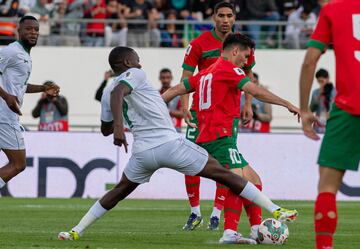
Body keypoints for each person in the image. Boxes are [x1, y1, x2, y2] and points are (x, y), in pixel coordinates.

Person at [58, 46, 298, 242]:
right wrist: (120, 128)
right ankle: (275, 209)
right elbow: (119, 92)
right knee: (226, 175)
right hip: (169, 145)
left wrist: (119, 124)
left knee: (119, 191)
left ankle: (76, 230)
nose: (141, 65)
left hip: (142, 153)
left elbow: (104, 128)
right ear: (128, 63)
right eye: (137, 60)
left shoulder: (108, 91)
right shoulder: (133, 77)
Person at [163, 33, 299, 244]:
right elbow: (255, 91)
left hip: (209, 136)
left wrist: (153, 105)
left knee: (253, 180)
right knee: (238, 183)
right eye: (245, 56)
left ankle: (255, 229)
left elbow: (176, 89)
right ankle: (229, 232)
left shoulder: (206, 72)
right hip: (220, 137)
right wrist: (288, 104)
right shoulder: (229, 69)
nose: (246, 62)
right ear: (234, 51)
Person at [180, 2, 263, 238]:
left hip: (226, 114)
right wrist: (185, 107)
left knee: (226, 165)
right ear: (213, 17)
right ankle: (195, 211)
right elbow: (187, 76)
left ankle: (217, 213)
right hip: (198, 112)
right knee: (190, 162)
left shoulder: (242, 45)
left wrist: (247, 104)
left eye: (229, 16)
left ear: (234, 19)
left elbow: (248, 75)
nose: (225, 20)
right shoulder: (198, 43)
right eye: (221, 15)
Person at [299, 1, 360, 249]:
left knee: (327, 187)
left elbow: (309, 62)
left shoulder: (334, 10)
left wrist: (304, 110)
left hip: (348, 110)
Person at [0, 15, 60, 189]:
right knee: (18, 164)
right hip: (5, 116)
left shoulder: (24, 55)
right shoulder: (11, 51)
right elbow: (9, 92)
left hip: (5, 114)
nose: (33, 33)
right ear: (19, 31)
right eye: (28, 29)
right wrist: (6, 96)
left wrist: (43, 88)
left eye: (36, 29)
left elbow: (19, 86)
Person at [309, 68, 335, 133]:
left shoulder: (334, 92)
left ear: (328, 79)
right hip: (318, 126)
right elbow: (311, 109)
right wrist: (319, 95)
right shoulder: (316, 92)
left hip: (331, 125)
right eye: (319, 81)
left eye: (322, 81)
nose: (321, 84)